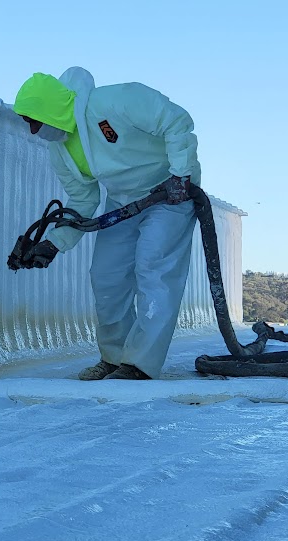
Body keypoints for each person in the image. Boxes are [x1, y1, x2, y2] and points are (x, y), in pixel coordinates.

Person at [13, 67, 201, 381]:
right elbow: (83, 201)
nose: (33, 131)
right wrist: (54, 243)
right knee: (106, 275)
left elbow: (176, 120)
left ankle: (140, 364)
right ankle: (114, 358)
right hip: (123, 201)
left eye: (34, 121)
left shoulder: (113, 101)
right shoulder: (60, 150)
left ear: (49, 109)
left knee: (153, 268)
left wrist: (181, 174)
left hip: (170, 193)